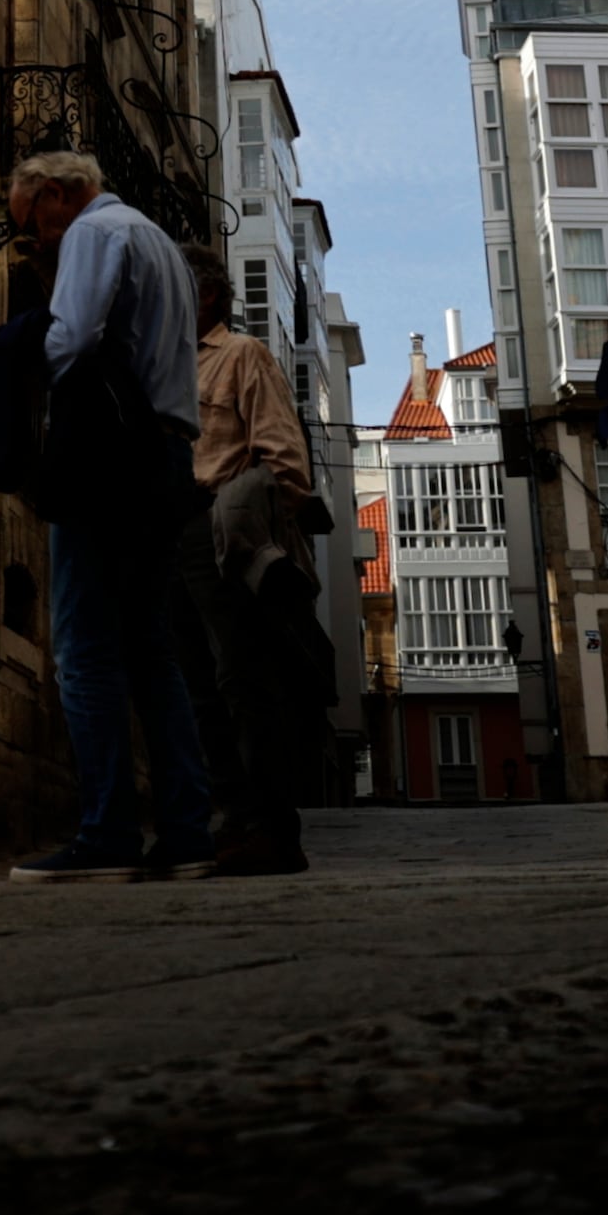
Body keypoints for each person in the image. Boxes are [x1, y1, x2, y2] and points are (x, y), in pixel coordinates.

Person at [1, 150, 216, 881]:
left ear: (59, 196)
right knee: (151, 650)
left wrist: (13, 357)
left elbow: (73, 337)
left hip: (107, 457)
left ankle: (107, 833)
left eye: (32, 226)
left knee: (85, 646)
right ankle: (188, 832)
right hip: (165, 454)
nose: (38, 242)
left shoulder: (95, 235)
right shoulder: (158, 240)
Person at [180, 270, 329, 875]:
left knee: (242, 681)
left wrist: (243, 522)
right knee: (199, 690)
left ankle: (273, 829)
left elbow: (287, 463)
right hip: (174, 532)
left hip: (221, 528)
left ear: (210, 293)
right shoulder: (168, 363)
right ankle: (237, 821)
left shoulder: (243, 355)